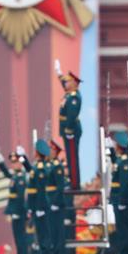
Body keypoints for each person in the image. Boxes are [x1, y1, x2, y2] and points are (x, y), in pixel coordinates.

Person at [0, 147, 32, 254]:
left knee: (21, 237)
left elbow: (21, 197)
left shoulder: (22, 177)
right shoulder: (15, 176)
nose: (14, 165)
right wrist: (0, 163)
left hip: (20, 211)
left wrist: (18, 211)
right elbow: (7, 173)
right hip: (15, 211)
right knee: (18, 237)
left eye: (16, 162)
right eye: (12, 163)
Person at [55, 60, 83, 190]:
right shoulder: (69, 94)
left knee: (72, 158)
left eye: (68, 81)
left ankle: (75, 184)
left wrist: (69, 130)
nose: (65, 83)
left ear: (74, 84)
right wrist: (59, 73)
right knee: (70, 156)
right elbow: (64, 84)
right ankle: (73, 182)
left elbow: (72, 115)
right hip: (67, 130)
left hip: (71, 130)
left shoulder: (74, 97)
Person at [108, 131, 128, 254]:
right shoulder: (121, 160)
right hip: (117, 199)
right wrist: (111, 151)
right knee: (121, 229)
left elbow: (124, 184)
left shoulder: (124, 162)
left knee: (123, 230)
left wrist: (123, 201)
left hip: (121, 200)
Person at [26, 139, 54, 254]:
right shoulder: (37, 166)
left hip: (41, 204)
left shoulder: (41, 168)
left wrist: (40, 207)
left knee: (44, 233)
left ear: (37, 152)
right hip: (36, 204)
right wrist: (24, 159)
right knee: (40, 232)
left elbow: (41, 189)